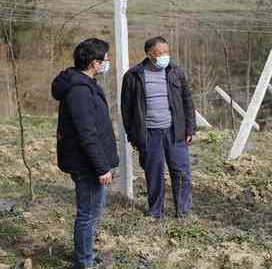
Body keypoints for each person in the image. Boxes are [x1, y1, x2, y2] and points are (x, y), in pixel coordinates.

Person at [51, 38, 119, 269]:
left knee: (91, 213)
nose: (108, 62)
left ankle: (85, 252)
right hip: (86, 164)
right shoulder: (79, 90)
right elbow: (87, 133)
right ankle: (84, 262)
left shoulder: (84, 83)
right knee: (88, 215)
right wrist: (101, 167)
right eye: (106, 59)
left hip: (89, 161)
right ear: (94, 63)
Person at [121, 36, 196, 219]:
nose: (164, 56)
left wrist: (190, 128)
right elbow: (127, 109)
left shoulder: (175, 72)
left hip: (175, 131)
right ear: (149, 54)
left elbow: (187, 101)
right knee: (154, 172)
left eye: (166, 52)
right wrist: (133, 136)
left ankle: (183, 211)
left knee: (181, 172)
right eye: (160, 53)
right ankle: (156, 212)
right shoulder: (134, 76)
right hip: (148, 133)